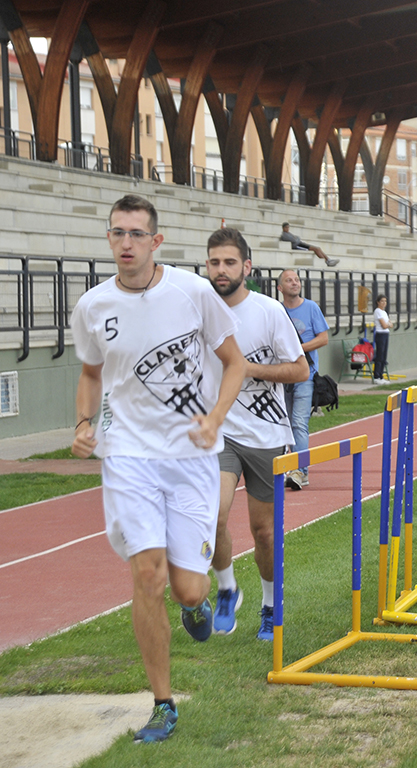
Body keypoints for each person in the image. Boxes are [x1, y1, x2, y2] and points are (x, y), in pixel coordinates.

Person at [70, 194, 246, 743]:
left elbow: (235, 363)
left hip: (190, 456)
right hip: (127, 457)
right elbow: (92, 374)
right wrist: (82, 423)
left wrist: (216, 419)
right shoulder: (93, 306)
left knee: (188, 591)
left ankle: (198, 603)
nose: (126, 243)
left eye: (136, 234)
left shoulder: (192, 292)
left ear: (156, 240)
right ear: (109, 239)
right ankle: (163, 703)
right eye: (117, 233)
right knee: (147, 574)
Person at [204, 229, 309, 642]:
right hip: (220, 431)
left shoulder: (267, 311)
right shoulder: (199, 310)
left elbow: (300, 370)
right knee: (212, 515)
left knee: (263, 531)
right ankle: (228, 588)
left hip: (265, 434)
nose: (222, 270)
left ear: (247, 267)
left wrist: (249, 369)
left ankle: (269, 605)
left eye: (230, 262)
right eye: (214, 262)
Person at [278, 269, 329, 490]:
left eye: (297, 280)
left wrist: (297, 348)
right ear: (280, 287)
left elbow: (323, 338)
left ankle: (301, 471)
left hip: (305, 375)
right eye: (289, 280)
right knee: (284, 424)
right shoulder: (275, 310)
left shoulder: (311, 308)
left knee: (299, 422)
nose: (294, 283)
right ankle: (289, 466)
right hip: (281, 376)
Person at [372, 294, 391, 383]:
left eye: (385, 301)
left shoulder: (384, 312)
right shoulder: (378, 311)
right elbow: (384, 325)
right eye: (382, 301)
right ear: (378, 302)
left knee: (384, 355)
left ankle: (381, 375)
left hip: (386, 334)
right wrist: (388, 325)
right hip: (380, 334)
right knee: (379, 355)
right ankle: (376, 376)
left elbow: (390, 324)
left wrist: (388, 325)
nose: (384, 303)